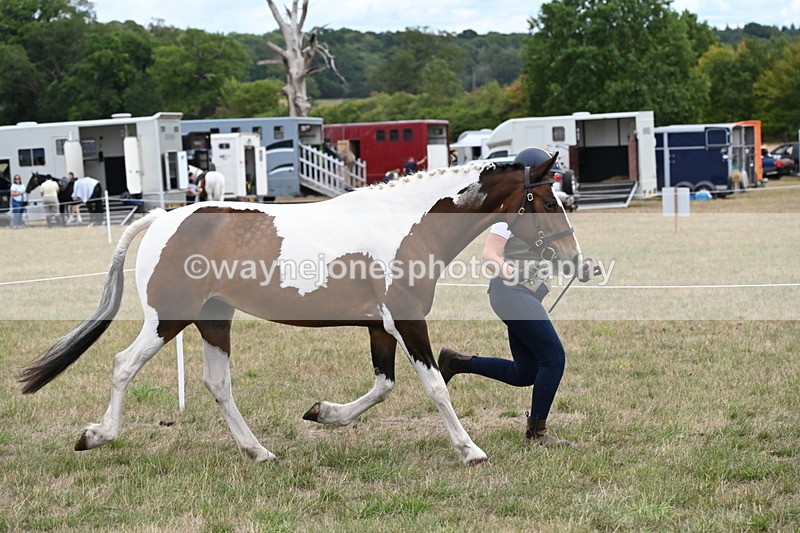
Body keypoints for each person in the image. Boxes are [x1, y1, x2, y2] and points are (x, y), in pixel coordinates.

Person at [438, 147, 595, 447]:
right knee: (554, 358)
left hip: (526, 296)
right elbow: (489, 256)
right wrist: (509, 270)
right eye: (545, 176)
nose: (550, 181)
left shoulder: (539, 212)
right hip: (510, 293)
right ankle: (537, 433)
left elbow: (552, 252)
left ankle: (456, 362)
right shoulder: (509, 213)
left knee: (525, 372)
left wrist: (581, 266)